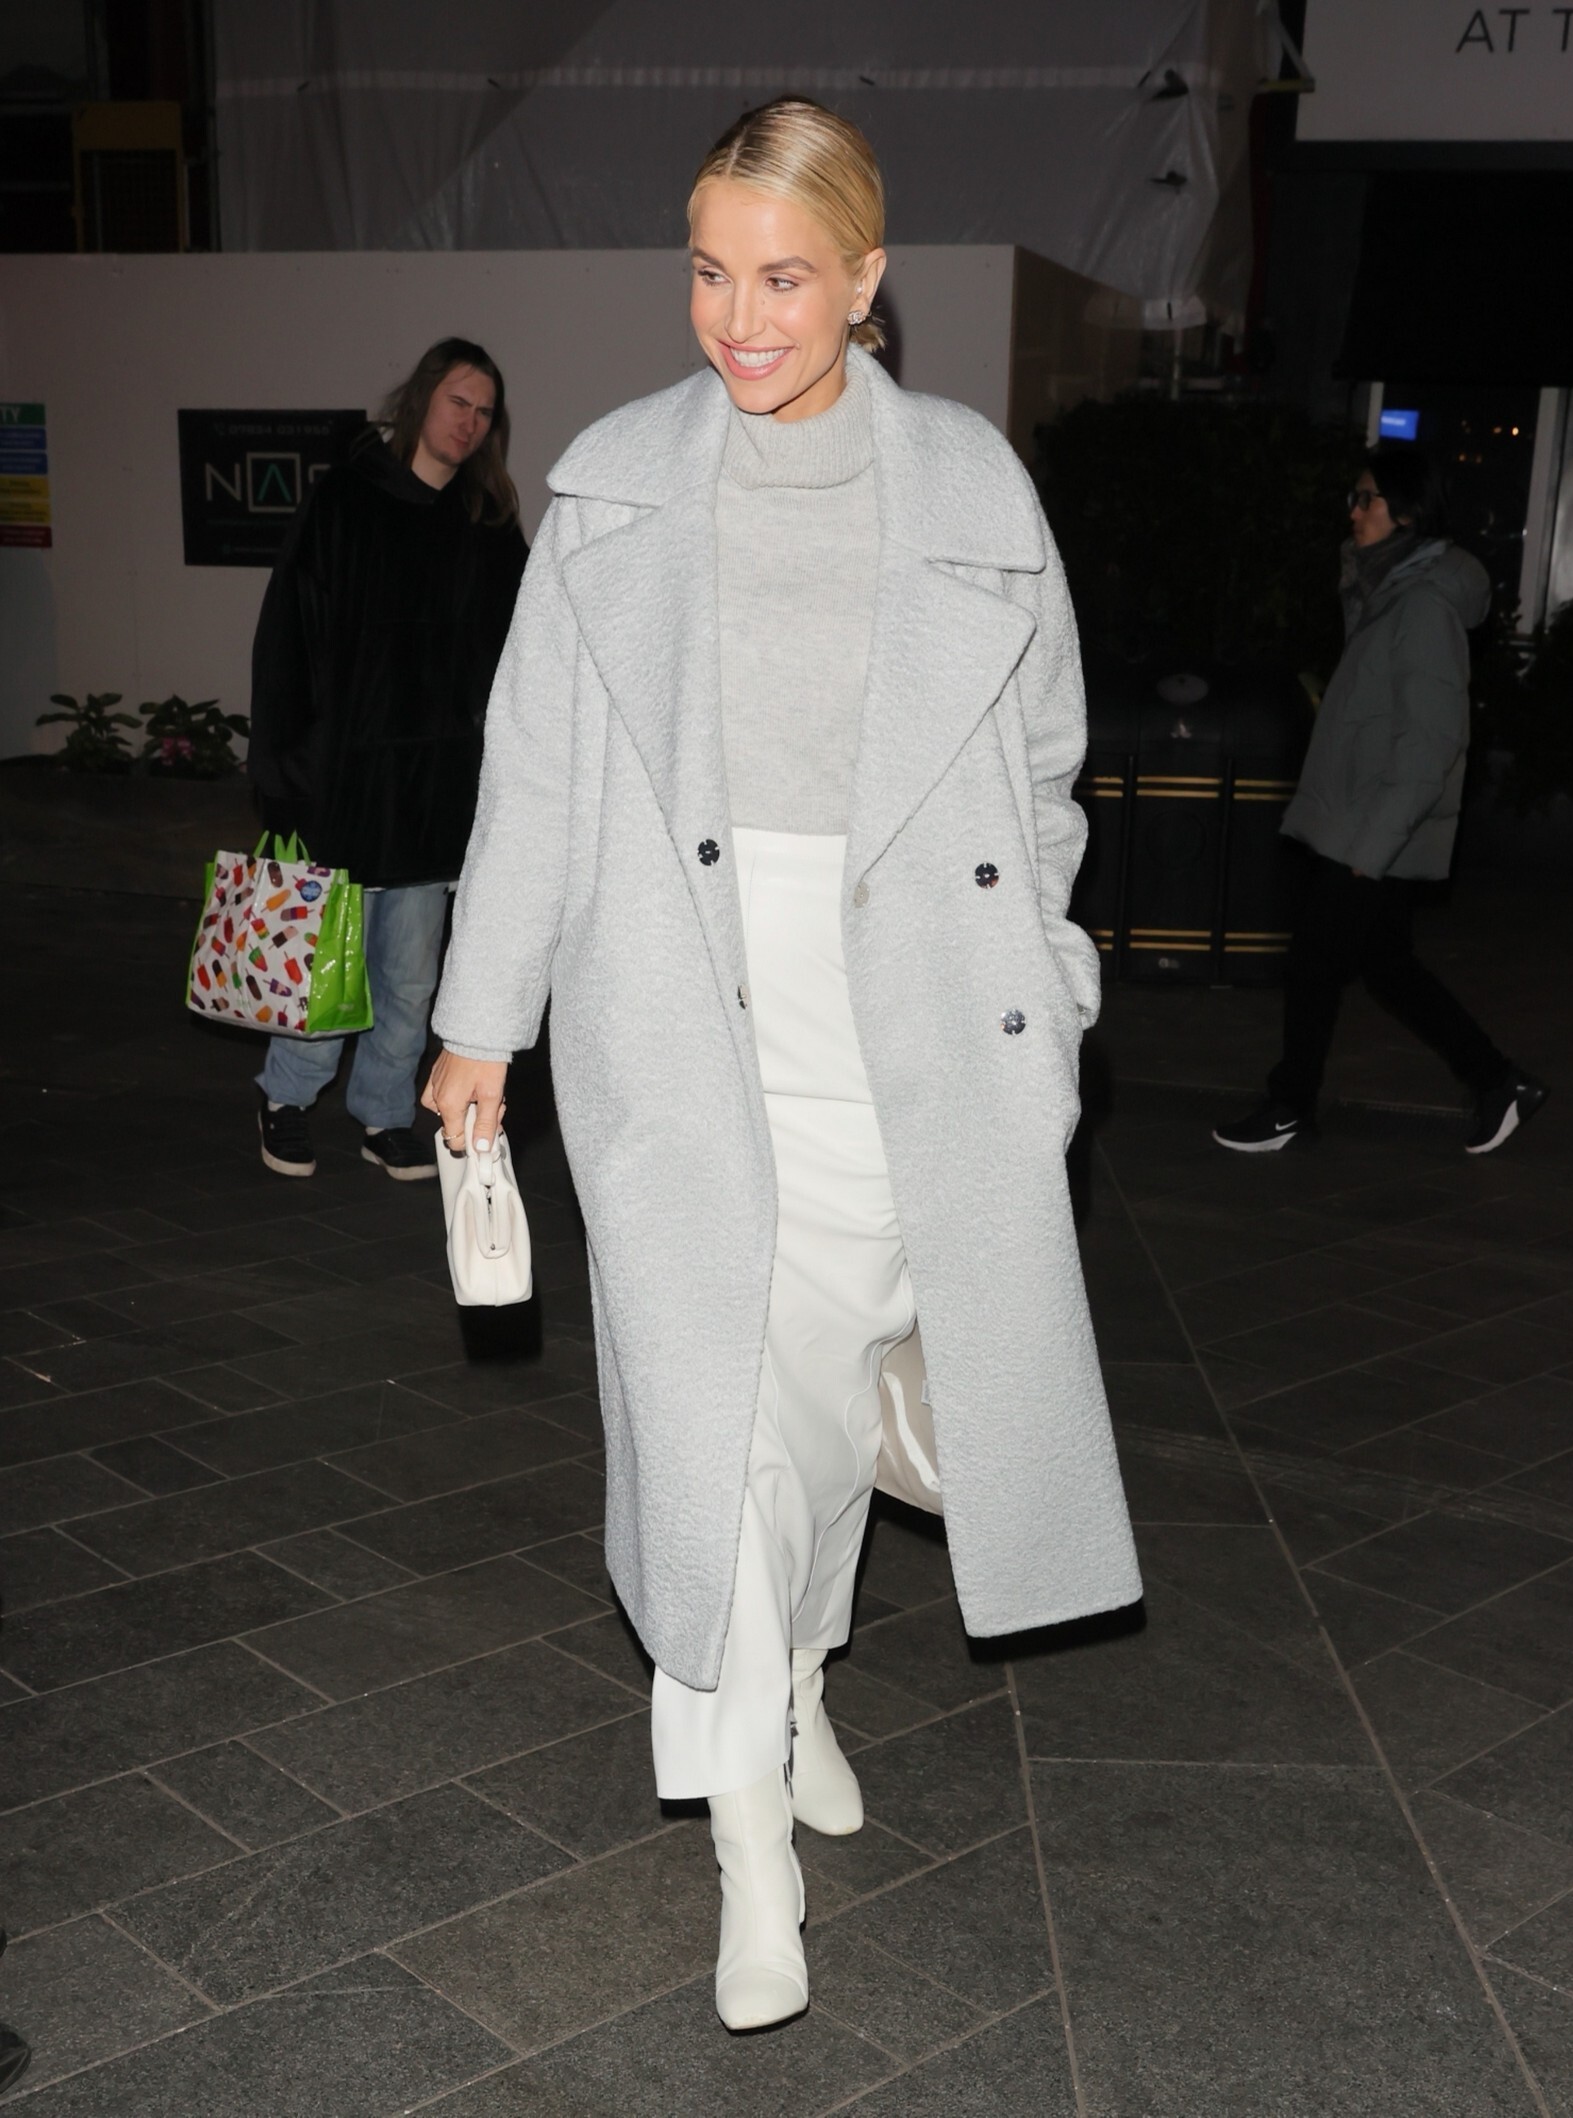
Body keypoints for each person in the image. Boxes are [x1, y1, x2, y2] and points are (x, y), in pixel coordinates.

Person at [425, 99, 1140, 2033]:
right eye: (710, 272)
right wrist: (481, 1016)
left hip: (904, 1032)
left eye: (785, 277)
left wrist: (1055, 990)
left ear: (866, 277)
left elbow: (1046, 778)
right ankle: (750, 1845)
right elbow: (537, 771)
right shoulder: (616, 487)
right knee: (719, 1433)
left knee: (820, 1429)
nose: (740, 318)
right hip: (682, 1017)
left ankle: (806, 1682)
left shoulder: (972, 486)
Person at [1214, 446, 1547, 1156]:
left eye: (1368, 498)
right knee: (1388, 969)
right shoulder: (1386, 592)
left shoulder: (1421, 605)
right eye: (1354, 498)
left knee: (1314, 964)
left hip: (1371, 830)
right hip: (1359, 820)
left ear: (1407, 513)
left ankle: (1290, 1105)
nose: (1355, 511)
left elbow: (1431, 742)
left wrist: (1371, 849)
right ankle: (1499, 1082)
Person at [247, 338, 528, 1180]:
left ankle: (383, 1112)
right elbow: (286, 636)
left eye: (484, 412)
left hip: (436, 790)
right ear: (421, 400)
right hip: (347, 781)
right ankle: (286, 1099)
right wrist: (285, 771)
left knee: (410, 977)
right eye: (458, 402)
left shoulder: (486, 525)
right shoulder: (345, 501)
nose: (469, 423)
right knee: (324, 959)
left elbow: (522, 653)